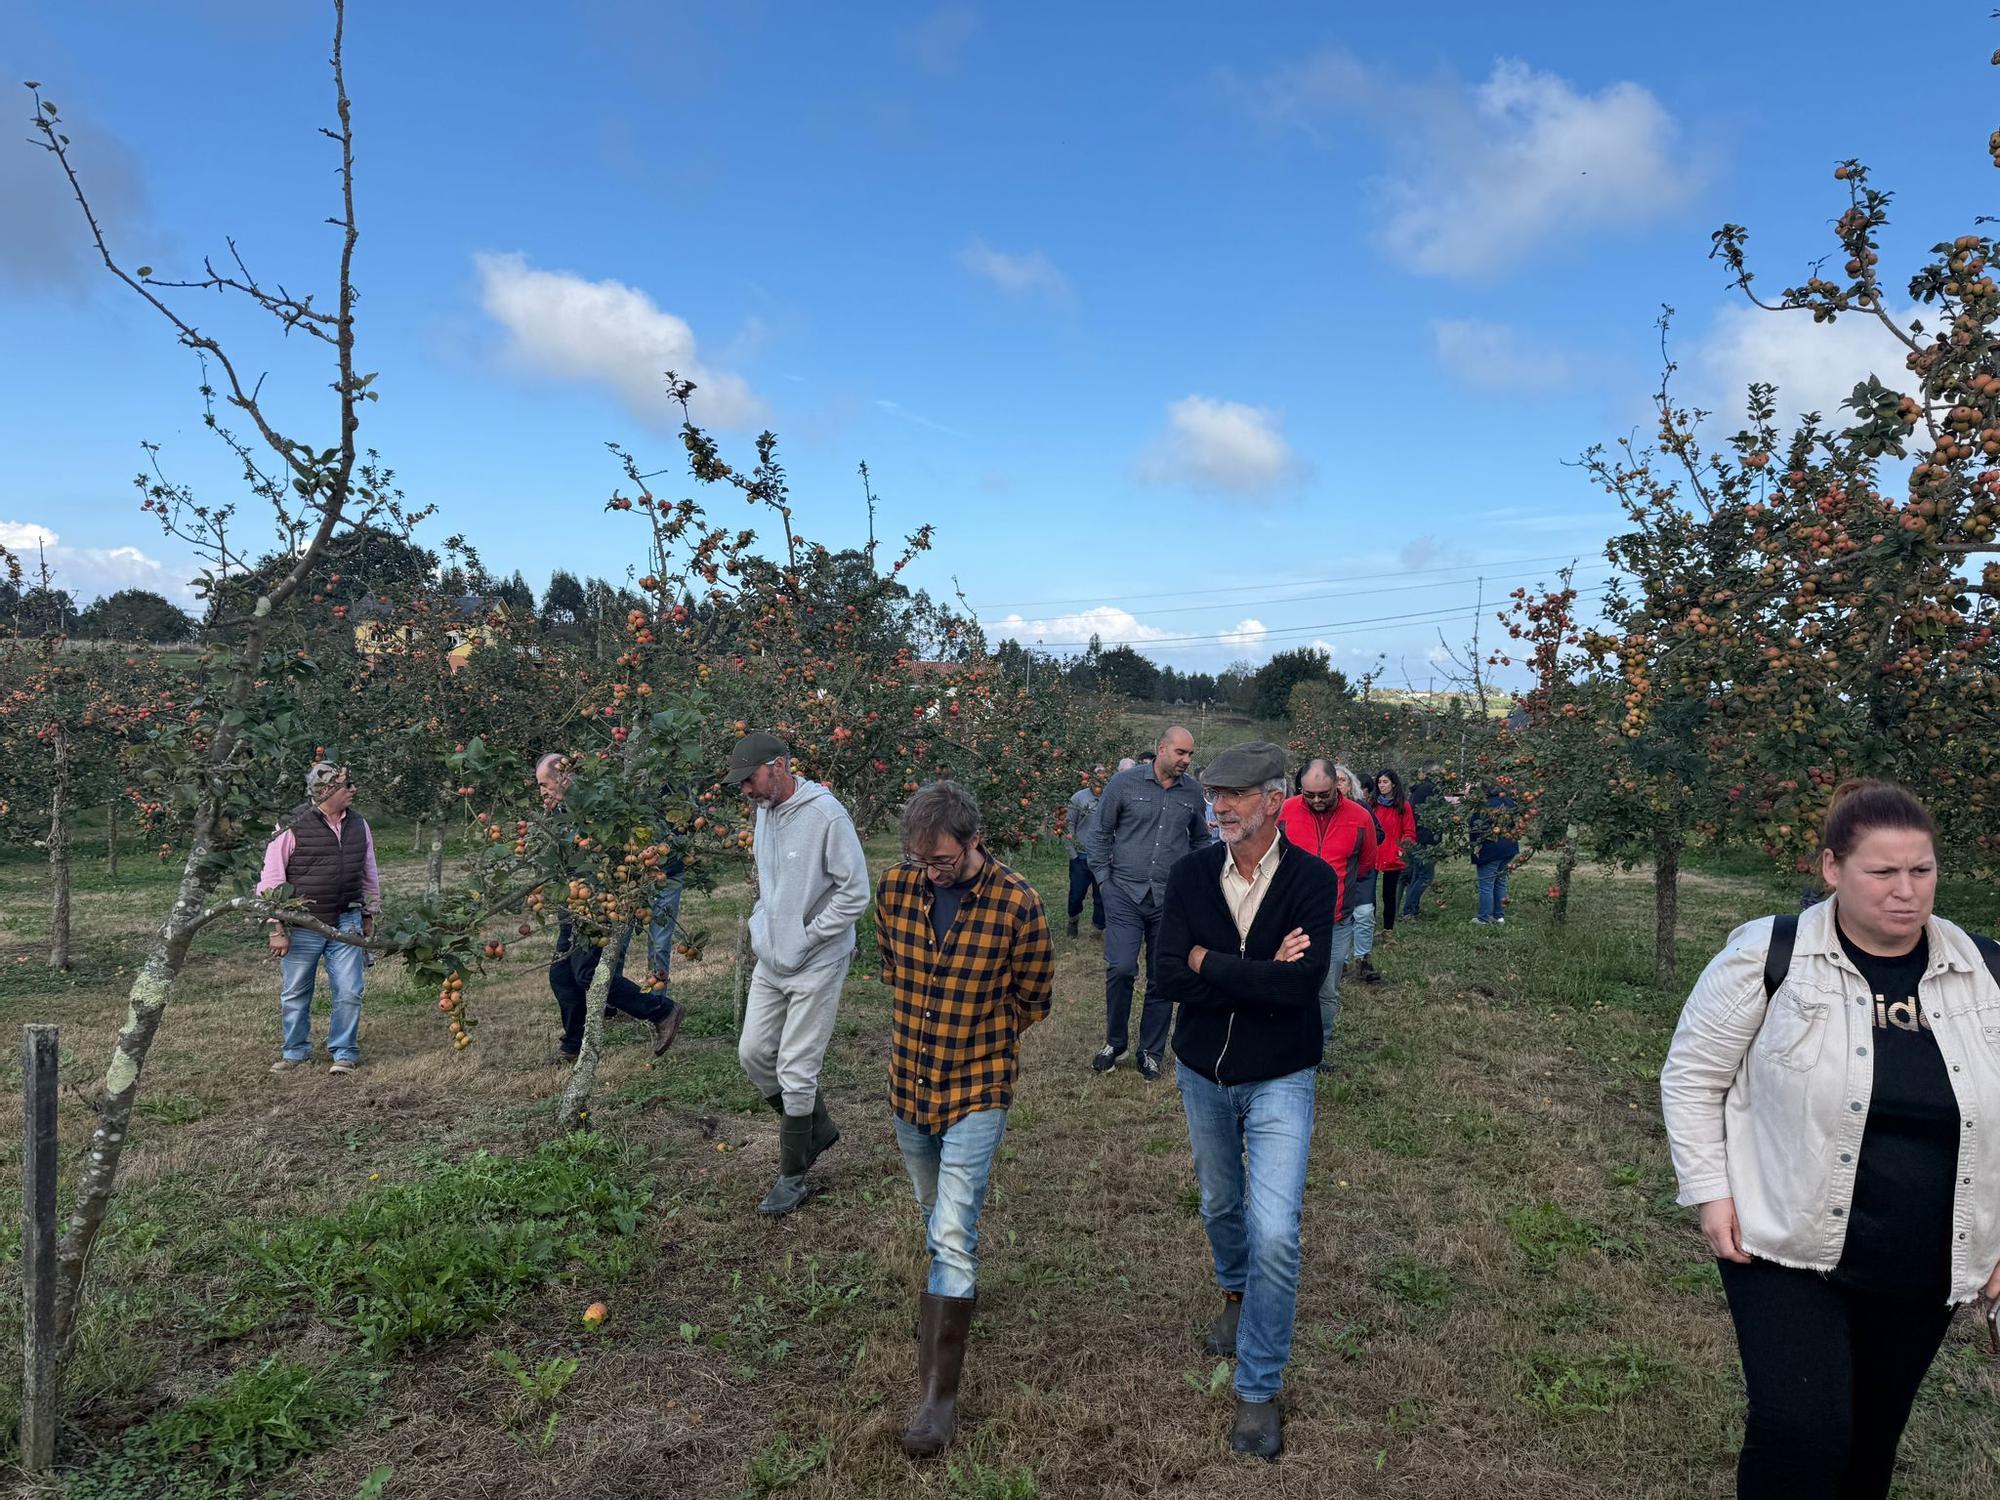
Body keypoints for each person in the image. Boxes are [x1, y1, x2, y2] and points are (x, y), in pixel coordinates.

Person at [1659, 779, 2000, 1499]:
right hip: (1783, 1240)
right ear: (1832, 869)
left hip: (1924, 1260)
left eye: (1922, 870)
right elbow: (1691, 1077)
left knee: (1870, 1444)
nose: (1905, 891)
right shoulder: (1772, 955)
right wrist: (1711, 1191)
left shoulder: (1985, 972)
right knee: (1801, 1435)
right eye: (1883, 872)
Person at [1157, 741, 1335, 1461]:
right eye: (1213, 794)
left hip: (1281, 1075)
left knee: (1275, 1231)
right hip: (1203, 1070)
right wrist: (1251, 971)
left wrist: (1213, 962)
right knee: (1220, 1207)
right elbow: (1169, 973)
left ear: (1273, 798)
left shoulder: (1313, 881)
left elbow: (1299, 988)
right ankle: (1234, 1295)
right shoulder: (1192, 874)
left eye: (1233, 794)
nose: (1220, 806)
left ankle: (1258, 1388)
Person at [874, 781, 1055, 1458]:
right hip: (909, 1087)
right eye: (923, 861)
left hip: (977, 1085)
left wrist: (979, 1032)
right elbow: (894, 967)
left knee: (951, 1227)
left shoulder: (1018, 903)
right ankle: (953, 1291)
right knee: (934, 1209)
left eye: (944, 861)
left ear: (975, 840)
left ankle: (936, 1401)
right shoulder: (896, 892)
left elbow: (1033, 996)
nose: (933, 872)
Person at [727, 730, 871, 1215]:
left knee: (795, 1064)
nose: (745, 791)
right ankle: (818, 1129)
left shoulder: (826, 816)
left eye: (750, 780)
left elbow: (855, 894)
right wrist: (761, 927)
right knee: (753, 1053)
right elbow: (769, 884)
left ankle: (792, 1175)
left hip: (819, 958)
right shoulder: (764, 815)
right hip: (773, 957)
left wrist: (809, 934)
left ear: (780, 766)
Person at [535, 754, 683, 1062]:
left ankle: (662, 1011)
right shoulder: (562, 811)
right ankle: (573, 1045)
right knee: (562, 975)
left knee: (588, 973)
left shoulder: (594, 804)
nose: (542, 792)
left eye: (544, 784)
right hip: (575, 899)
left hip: (598, 901)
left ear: (564, 778)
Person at [1085, 726, 1213, 1080]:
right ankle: (1115, 1042)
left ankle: (1151, 1051)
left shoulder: (1192, 793)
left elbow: (1202, 840)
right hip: (1123, 892)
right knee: (1122, 968)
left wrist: (1195, 882)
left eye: (1190, 755)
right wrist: (1104, 881)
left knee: (1163, 977)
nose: (1187, 760)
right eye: (1181, 753)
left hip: (1169, 899)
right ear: (1162, 749)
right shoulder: (1124, 784)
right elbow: (1099, 834)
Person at [260, 761, 379, 1077]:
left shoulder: (358, 824)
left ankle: (344, 1052)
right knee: (296, 991)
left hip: (346, 918)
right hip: (304, 923)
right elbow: (271, 879)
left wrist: (369, 913)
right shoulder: (291, 825)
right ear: (327, 790)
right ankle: (295, 1052)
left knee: (350, 990)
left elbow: (369, 872)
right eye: (347, 785)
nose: (353, 790)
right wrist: (276, 927)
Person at [1277, 759, 1378, 1065]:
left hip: (1336, 920)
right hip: (1288, 919)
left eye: (1324, 794)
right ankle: (1282, 1042)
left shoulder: (1360, 818)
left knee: (1326, 987)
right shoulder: (1285, 811)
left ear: (1338, 785)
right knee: (1285, 981)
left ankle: (1318, 1048)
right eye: (1310, 795)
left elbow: (1365, 865)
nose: (1317, 801)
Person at [1333, 764, 1386, 984]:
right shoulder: (1322, 811)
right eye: (1333, 780)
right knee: (1340, 917)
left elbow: (1379, 835)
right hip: (1335, 873)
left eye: (1342, 780)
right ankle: (1341, 962)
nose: (1337, 784)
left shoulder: (1361, 808)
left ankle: (1363, 958)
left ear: (1350, 783)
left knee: (1364, 913)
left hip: (1361, 871)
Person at [1369, 769, 1417, 938]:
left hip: (1392, 854)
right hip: (1373, 853)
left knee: (1389, 895)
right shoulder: (1372, 803)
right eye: (1380, 782)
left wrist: (1402, 849)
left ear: (1394, 784)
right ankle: (1368, 927)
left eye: (1385, 782)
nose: (1382, 785)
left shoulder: (1403, 805)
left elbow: (1410, 831)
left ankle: (1388, 929)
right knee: (1368, 894)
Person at [1064, 766, 1107, 939]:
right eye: (1096, 780)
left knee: (1101, 896)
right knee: (1076, 894)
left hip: (1102, 857)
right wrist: (1073, 853)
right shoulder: (1078, 798)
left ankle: (1098, 928)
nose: (1099, 784)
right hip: (1081, 856)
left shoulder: (1110, 798)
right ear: (1089, 780)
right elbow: (1069, 826)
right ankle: (1073, 920)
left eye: (1103, 780)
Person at [1400, 759, 1444, 920]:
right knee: (1425, 876)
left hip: (1417, 838)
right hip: (1426, 839)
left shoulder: (1417, 790)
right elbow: (1440, 812)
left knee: (1418, 875)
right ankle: (1409, 910)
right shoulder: (1430, 790)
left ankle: (1411, 909)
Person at [1469, 784, 1518, 925]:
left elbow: (1475, 829)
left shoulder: (1484, 806)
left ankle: (1484, 917)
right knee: (1501, 882)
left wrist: (1475, 849)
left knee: (1486, 884)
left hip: (1490, 850)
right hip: (1509, 848)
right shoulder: (1508, 801)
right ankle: (1499, 916)